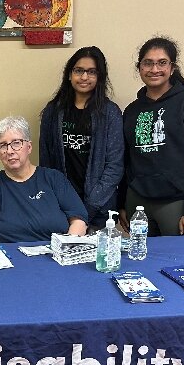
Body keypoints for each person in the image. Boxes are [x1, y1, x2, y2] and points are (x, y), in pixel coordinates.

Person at [121, 36, 184, 236]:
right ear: (139, 68)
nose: (154, 69)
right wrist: (121, 203)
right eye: (148, 63)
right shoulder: (131, 111)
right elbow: (125, 160)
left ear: (172, 68)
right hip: (137, 202)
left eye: (162, 63)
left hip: (175, 203)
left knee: (175, 263)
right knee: (140, 260)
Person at [39, 46, 124, 231]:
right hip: (62, 209)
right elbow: (46, 161)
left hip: (100, 211)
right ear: (69, 75)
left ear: (100, 77)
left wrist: (88, 209)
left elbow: (115, 166)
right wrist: (60, 203)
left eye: (91, 72)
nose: (84, 77)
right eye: (79, 71)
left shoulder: (110, 113)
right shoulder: (53, 111)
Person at [0, 116, 88, 242]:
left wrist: (66, 248)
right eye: (3, 145)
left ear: (29, 147)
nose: (10, 151)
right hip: (8, 258)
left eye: (16, 143)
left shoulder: (54, 179)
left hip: (56, 256)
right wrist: (3, 255)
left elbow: (79, 220)